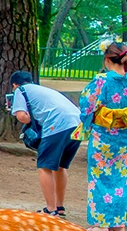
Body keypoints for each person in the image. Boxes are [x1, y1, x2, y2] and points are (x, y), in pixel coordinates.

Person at [77, 43, 127, 231]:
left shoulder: (100, 81)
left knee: (100, 179)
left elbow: (86, 106)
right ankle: (118, 224)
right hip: (123, 138)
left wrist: (90, 120)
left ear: (107, 59)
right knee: (119, 179)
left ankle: (102, 225)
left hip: (102, 137)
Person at [10, 71, 83, 217]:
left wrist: (28, 117)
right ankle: (59, 206)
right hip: (77, 125)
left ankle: (50, 209)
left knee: (45, 166)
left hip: (57, 125)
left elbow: (22, 116)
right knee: (61, 167)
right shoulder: (42, 90)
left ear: (14, 85)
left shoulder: (20, 90)